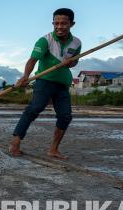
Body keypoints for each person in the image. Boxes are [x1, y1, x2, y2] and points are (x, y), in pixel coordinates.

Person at [10, 8, 81, 160]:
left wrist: (71, 62)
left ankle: (53, 150)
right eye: (56, 23)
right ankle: (15, 143)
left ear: (72, 24)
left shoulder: (77, 43)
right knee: (34, 109)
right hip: (45, 81)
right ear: (53, 23)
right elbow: (32, 60)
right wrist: (25, 76)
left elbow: (74, 63)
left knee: (65, 116)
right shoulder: (45, 40)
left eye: (64, 23)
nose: (59, 27)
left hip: (63, 84)